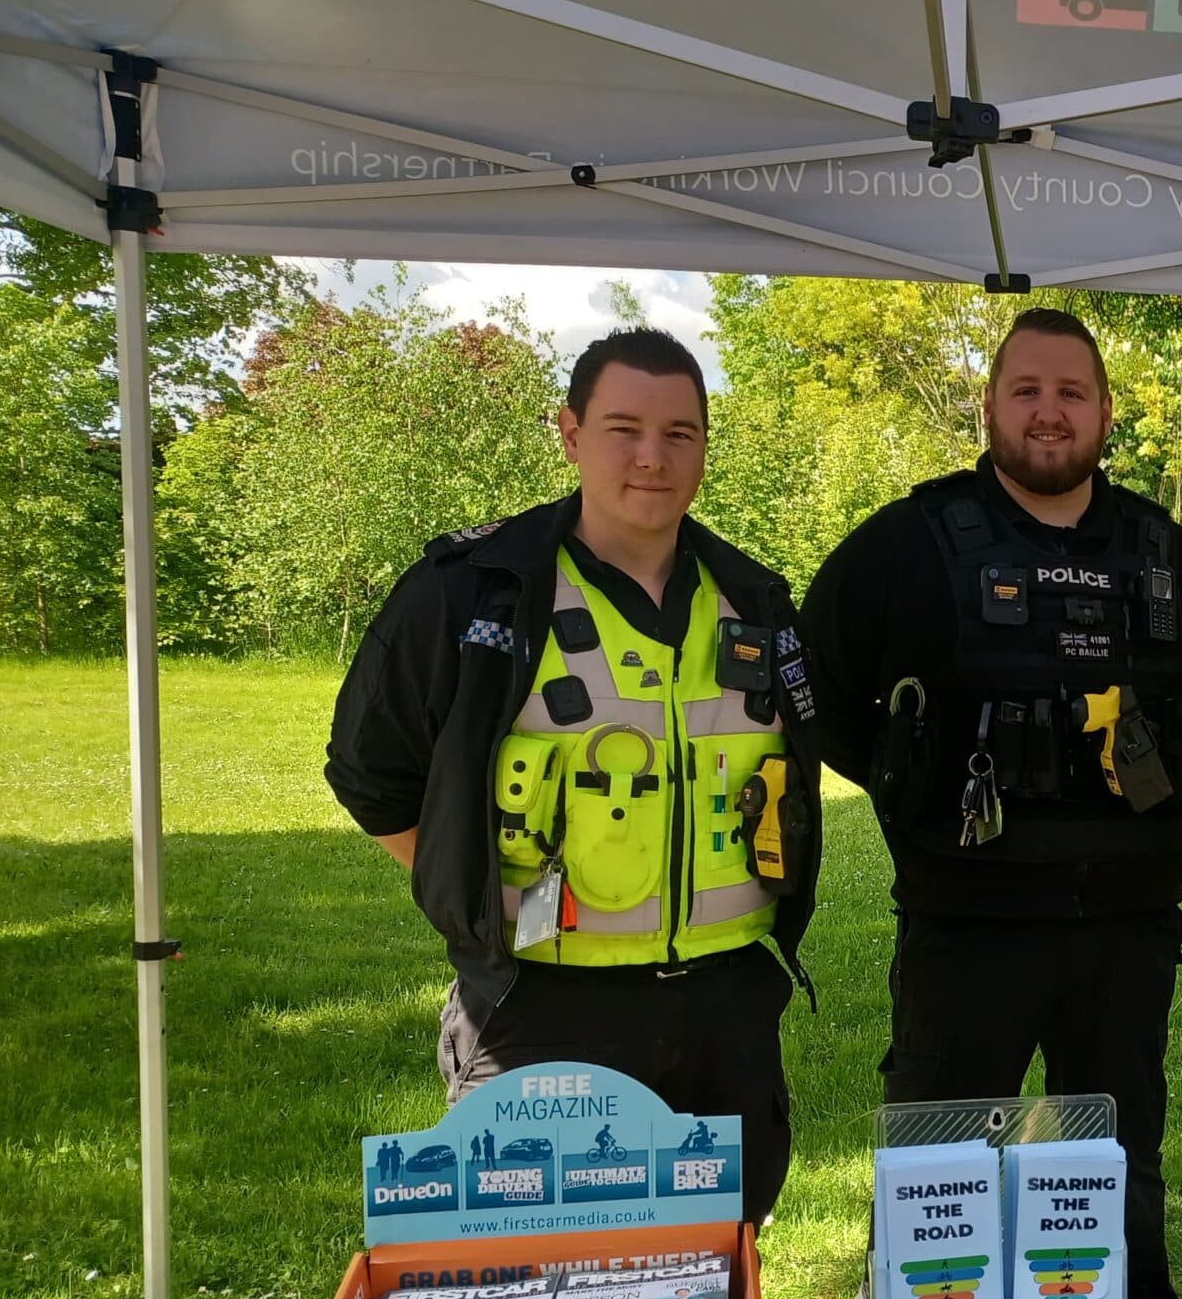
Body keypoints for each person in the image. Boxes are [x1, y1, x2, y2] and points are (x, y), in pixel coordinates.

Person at [326, 328, 823, 1227]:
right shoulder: (474, 591)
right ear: (568, 433)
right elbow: (370, 773)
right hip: (543, 1005)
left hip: (725, 1005)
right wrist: (477, 895)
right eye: (623, 428)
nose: (652, 457)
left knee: (718, 1272)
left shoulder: (756, 597)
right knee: (538, 1290)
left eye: (680, 434)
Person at [800, 309, 1182, 1299]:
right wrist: (910, 790)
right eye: (1027, 391)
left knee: (1118, 1166)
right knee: (937, 1171)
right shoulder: (910, 542)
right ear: (991, 405)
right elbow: (813, 681)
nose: (1049, 413)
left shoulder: (1162, 549)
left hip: (1125, 929)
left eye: (1070, 393)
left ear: (1105, 412)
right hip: (967, 924)